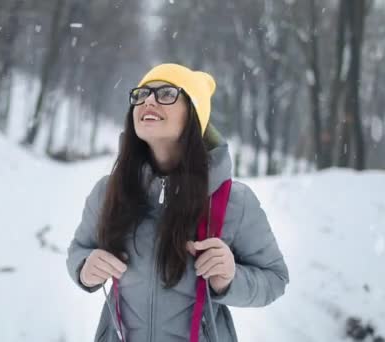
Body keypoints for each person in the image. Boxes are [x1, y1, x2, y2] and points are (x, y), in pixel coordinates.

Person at [66, 63, 289, 342]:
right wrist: (85, 269)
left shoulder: (234, 201)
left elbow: (275, 279)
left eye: (166, 93)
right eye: (142, 94)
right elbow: (79, 250)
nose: (148, 100)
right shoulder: (109, 191)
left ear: (194, 115)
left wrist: (230, 279)